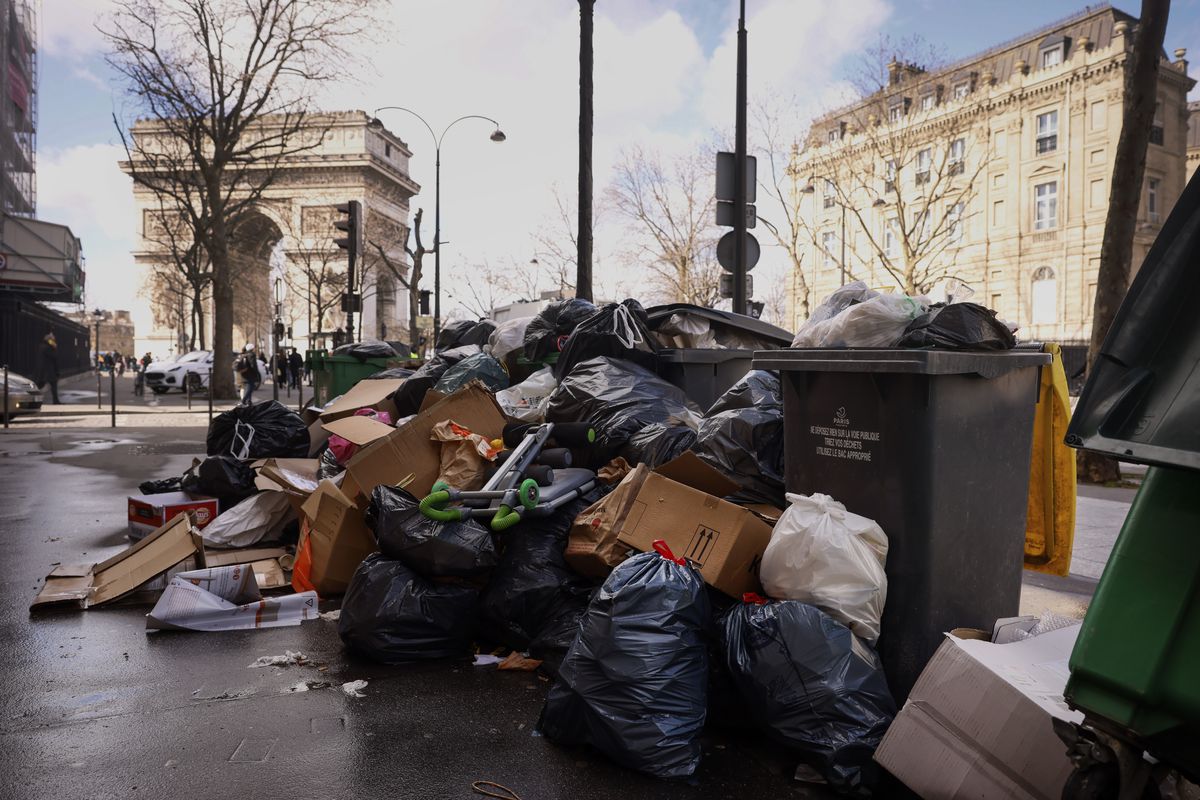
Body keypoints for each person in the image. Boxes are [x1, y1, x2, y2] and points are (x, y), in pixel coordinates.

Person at [35, 333, 61, 404]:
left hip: (44, 370)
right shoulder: (47, 347)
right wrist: (54, 347)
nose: (54, 341)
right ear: (49, 340)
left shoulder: (42, 346)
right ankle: (55, 401)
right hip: (48, 370)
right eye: (53, 339)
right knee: (51, 385)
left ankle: (55, 400)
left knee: (41, 384)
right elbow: (54, 356)